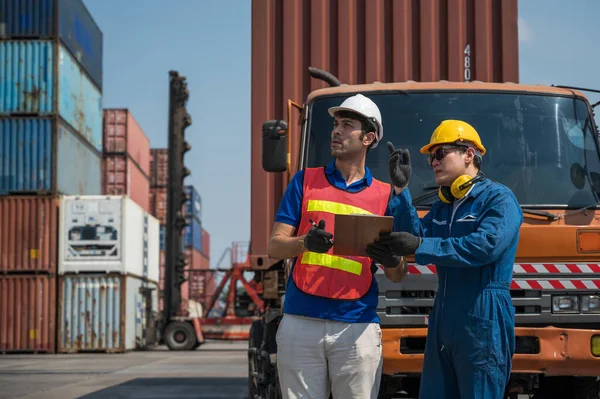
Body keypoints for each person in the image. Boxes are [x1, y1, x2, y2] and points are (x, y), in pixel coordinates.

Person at [369, 120, 523, 399]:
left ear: (469, 154)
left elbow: (486, 246)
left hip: (484, 314)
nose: (433, 162)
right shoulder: (444, 207)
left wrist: (419, 244)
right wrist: (401, 191)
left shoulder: (498, 199)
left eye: (440, 154)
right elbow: (415, 235)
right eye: (430, 157)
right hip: (444, 316)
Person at [267, 93, 408, 399]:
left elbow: (398, 274)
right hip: (301, 322)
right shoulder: (305, 181)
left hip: (356, 326)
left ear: (369, 137)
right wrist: (305, 242)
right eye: (335, 124)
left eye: (347, 125)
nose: (336, 131)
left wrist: (392, 259)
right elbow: (275, 246)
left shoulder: (385, 196)